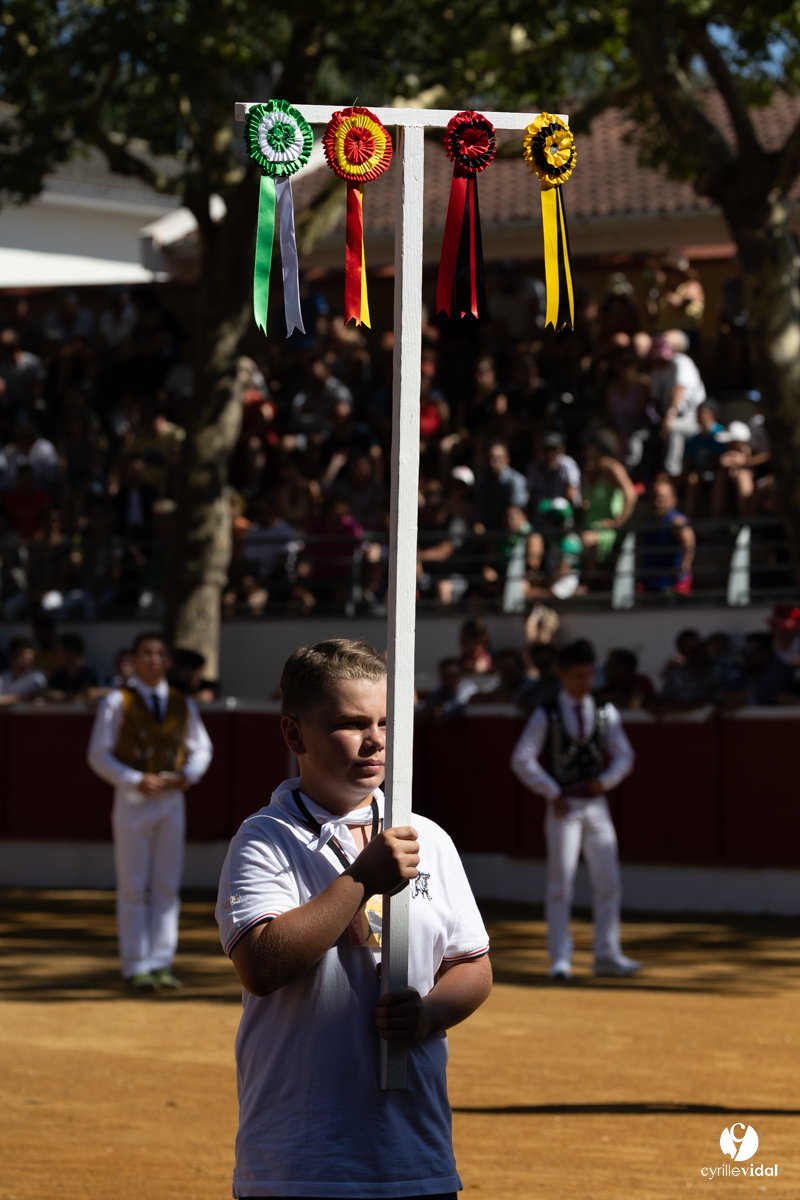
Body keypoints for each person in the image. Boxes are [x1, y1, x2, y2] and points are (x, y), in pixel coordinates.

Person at [216, 639, 491, 1199]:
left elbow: (473, 965)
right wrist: (362, 879)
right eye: (350, 723)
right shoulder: (265, 839)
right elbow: (262, 965)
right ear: (295, 735)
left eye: (386, 722)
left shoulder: (428, 837)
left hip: (416, 1153)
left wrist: (429, 1013)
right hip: (301, 1160)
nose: (376, 742)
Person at [87, 632, 212, 990]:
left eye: (160, 653)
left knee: (166, 885)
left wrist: (187, 775)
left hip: (171, 800)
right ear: (135, 659)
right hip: (133, 801)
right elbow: (99, 753)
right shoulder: (117, 700)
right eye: (147, 653)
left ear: (168, 661)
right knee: (133, 885)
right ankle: (135, 964)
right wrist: (133, 779)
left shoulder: (180, 702)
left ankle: (160, 961)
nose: (154, 659)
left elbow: (201, 748)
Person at [511, 639, 639, 980]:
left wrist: (606, 781)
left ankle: (607, 954)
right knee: (560, 883)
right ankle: (560, 958)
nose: (586, 681)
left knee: (608, 881)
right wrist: (551, 791)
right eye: (579, 675)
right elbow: (521, 758)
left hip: (595, 804)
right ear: (563, 675)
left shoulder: (605, 711)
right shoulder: (547, 712)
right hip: (564, 807)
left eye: (590, 674)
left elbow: (625, 756)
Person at [649, 333, 706, 477]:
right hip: (668, 418)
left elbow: (679, 389)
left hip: (693, 419)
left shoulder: (681, 362)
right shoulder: (656, 371)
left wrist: (669, 416)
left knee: (672, 427)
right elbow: (655, 400)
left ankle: (671, 475)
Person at [638, 477, 695, 594]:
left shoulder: (677, 521)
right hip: (650, 582)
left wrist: (682, 571)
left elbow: (689, 544)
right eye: (654, 497)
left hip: (670, 585)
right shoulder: (650, 522)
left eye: (661, 498)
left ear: (673, 499)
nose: (657, 502)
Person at [721, 633, 799, 709]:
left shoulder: (778, 670)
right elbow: (720, 697)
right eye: (743, 651)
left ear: (765, 653)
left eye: (749, 651)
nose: (745, 655)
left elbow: (766, 698)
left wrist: (742, 697)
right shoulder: (749, 671)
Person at [473, 442, 528, 530]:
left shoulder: (516, 481)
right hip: (492, 528)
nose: (493, 462)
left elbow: (516, 510)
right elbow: (479, 510)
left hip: (512, 526)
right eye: (490, 458)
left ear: (507, 459)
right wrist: (479, 523)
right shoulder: (483, 482)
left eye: (497, 459)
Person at [47, 632, 98, 696]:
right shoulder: (58, 675)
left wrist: (60, 695)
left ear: (72, 652)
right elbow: (47, 692)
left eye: (59, 652)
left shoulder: (90, 674)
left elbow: (84, 695)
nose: (56, 656)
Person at [0, 636, 47, 703]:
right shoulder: (3, 677)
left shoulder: (37, 677)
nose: (27, 661)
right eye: (23, 657)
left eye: (30, 658)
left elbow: (35, 697)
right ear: (12, 657)